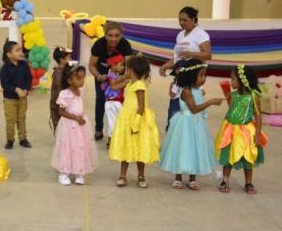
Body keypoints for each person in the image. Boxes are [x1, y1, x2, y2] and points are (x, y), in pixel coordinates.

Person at [159, 59, 224, 190]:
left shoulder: (198, 90)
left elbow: (198, 109)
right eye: (201, 75)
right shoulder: (186, 91)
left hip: (197, 123)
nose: (203, 78)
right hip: (185, 123)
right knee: (182, 147)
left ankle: (192, 179)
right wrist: (210, 102)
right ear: (191, 76)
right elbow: (193, 109)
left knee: (195, 147)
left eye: (204, 75)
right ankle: (178, 177)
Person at [215, 64, 267, 194]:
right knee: (228, 156)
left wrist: (258, 134)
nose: (231, 81)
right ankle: (225, 180)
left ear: (243, 81)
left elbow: (258, 115)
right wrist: (224, 127)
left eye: (233, 79)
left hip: (246, 132)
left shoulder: (253, 96)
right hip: (231, 130)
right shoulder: (233, 95)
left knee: (247, 157)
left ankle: (248, 182)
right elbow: (230, 111)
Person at [109, 55, 160, 188]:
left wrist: (136, 123)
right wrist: (123, 77)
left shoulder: (139, 85)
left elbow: (141, 106)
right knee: (127, 146)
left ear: (131, 70)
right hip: (126, 118)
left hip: (137, 120)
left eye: (127, 69)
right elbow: (113, 87)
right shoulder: (129, 83)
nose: (124, 70)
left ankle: (141, 175)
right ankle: (122, 175)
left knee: (139, 147)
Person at [159, 6, 212, 129]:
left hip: (193, 78)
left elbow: (208, 54)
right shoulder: (180, 35)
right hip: (180, 76)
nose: (181, 23)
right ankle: (172, 135)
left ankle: (188, 136)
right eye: (180, 20)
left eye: (185, 20)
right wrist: (166, 65)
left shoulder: (201, 34)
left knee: (188, 107)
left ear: (193, 19)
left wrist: (191, 54)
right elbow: (177, 57)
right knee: (174, 107)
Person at [51, 62, 98, 185]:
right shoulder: (65, 94)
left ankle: (79, 171)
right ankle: (64, 172)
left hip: (80, 125)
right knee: (67, 147)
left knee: (79, 147)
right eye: (78, 78)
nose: (82, 81)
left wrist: (80, 119)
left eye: (83, 78)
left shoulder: (80, 90)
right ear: (69, 80)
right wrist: (76, 118)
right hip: (69, 125)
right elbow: (61, 111)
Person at [89, 21, 133, 141]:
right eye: (110, 35)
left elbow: (129, 67)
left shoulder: (125, 45)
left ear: (121, 35)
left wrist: (121, 79)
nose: (113, 39)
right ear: (105, 35)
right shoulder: (99, 45)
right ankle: (99, 129)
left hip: (120, 76)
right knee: (101, 99)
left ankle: (117, 131)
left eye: (117, 35)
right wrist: (99, 76)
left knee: (119, 103)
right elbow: (92, 65)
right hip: (102, 73)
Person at [0, 40, 32, 149]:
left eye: (21, 50)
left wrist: (26, 89)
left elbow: (29, 78)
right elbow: (5, 84)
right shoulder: (5, 69)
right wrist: (16, 89)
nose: (20, 52)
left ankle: (23, 139)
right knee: (11, 120)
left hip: (23, 98)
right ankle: (10, 140)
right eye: (17, 50)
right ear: (9, 54)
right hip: (10, 100)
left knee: (21, 118)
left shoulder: (24, 65)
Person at [102, 54, 128, 149]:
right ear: (113, 65)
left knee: (118, 121)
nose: (123, 67)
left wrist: (125, 77)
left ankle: (115, 140)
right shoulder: (111, 76)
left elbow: (120, 78)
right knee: (112, 122)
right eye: (121, 65)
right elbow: (113, 86)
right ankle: (110, 141)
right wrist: (124, 82)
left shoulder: (114, 75)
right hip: (112, 103)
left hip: (116, 102)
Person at [49, 46, 72, 131]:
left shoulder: (65, 70)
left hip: (62, 102)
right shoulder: (59, 72)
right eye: (69, 57)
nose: (71, 59)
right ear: (62, 60)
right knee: (59, 123)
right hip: (58, 103)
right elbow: (59, 88)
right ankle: (60, 141)